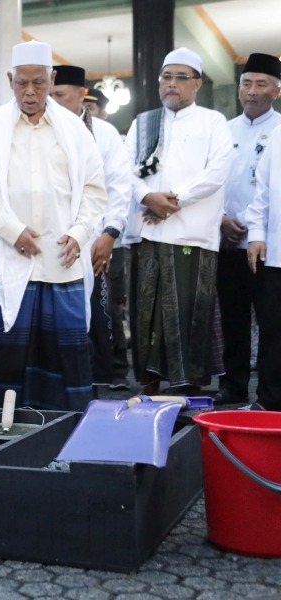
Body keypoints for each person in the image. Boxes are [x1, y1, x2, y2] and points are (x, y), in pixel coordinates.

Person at [0, 41, 107, 411]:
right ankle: (5, 432)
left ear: (51, 78)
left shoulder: (74, 130)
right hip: (10, 257)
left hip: (62, 259)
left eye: (39, 83)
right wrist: (12, 231)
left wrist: (79, 233)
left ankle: (68, 430)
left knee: (69, 354)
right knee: (9, 354)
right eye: (22, 83)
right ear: (10, 80)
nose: (30, 92)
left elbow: (94, 190)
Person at [124, 48, 232, 395]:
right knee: (145, 312)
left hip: (191, 233)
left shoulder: (213, 121)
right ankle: (150, 382)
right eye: (166, 77)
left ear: (197, 84)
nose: (171, 84)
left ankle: (188, 386)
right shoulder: (143, 122)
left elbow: (216, 173)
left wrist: (172, 200)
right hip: (147, 233)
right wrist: (146, 196)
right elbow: (123, 172)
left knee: (186, 311)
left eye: (180, 78)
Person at [50, 65, 131, 390]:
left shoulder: (104, 132)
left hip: (95, 236)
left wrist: (109, 233)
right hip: (55, 238)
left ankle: (107, 376)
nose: (51, 101)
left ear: (82, 94)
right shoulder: (44, 128)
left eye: (58, 95)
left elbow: (119, 185)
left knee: (102, 311)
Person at [216, 54, 281, 406]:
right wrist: (222, 220)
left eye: (261, 84)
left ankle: (270, 394)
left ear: (277, 90)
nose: (251, 91)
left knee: (272, 324)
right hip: (228, 241)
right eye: (246, 83)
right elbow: (213, 186)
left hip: (269, 246)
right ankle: (233, 385)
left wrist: (258, 229)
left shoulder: (280, 130)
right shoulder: (225, 131)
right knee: (232, 320)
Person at [246, 124, 281, 412]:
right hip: (277, 251)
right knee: (273, 329)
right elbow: (263, 191)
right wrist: (256, 233)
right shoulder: (279, 134)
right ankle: (269, 401)